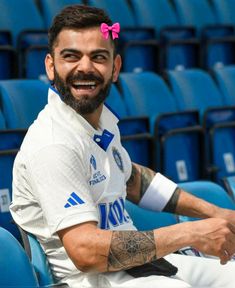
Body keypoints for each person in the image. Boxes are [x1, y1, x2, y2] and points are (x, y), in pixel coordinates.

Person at [10, 4, 235, 288]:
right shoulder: (53, 143)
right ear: (51, 66)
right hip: (91, 279)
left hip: (139, 266)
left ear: (115, 68)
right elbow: (85, 252)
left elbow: (133, 181)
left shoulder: (100, 121)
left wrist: (218, 213)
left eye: (98, 57)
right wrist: (190, 233)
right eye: (71, 56)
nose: (85, 67)